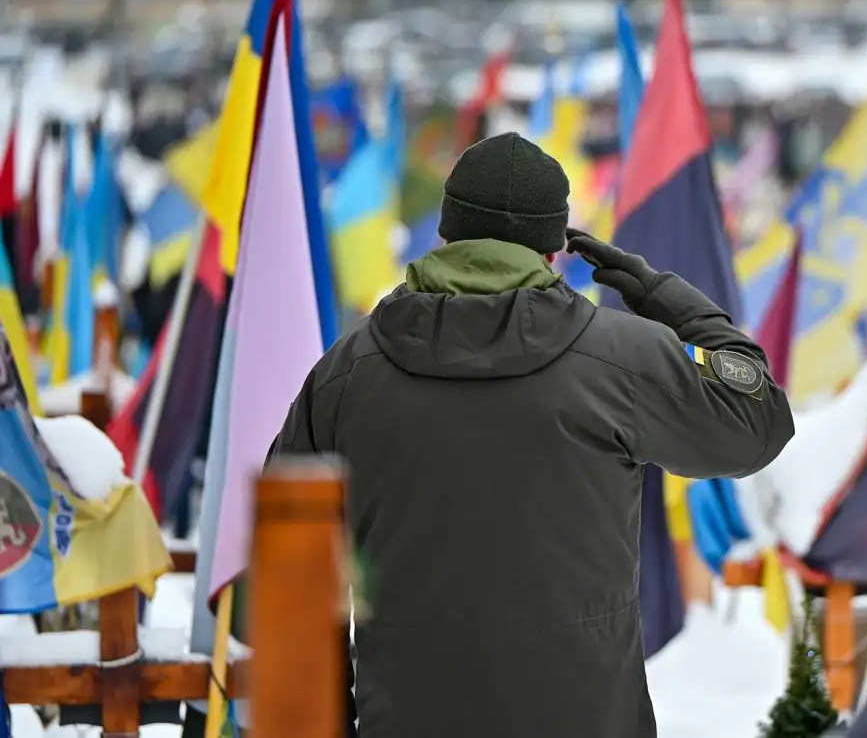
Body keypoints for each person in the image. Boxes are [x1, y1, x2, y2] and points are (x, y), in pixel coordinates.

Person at [268, 132, 796, 737]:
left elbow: (292, 575)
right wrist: (661, 294)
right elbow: (759, 421)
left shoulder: (346, 373)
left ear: (447, 235)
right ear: (555, 249)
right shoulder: (622, 359)